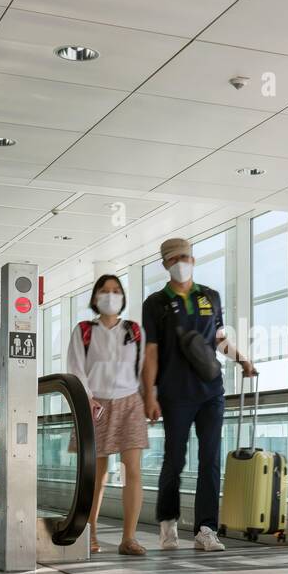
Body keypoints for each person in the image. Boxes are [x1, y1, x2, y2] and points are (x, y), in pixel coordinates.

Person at [141, 238, 256, 552]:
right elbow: (150, 352)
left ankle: (207, 529)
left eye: (186, 257)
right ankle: (168, 525)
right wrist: (149, 394)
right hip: (174, 393)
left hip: (210, 391)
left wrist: (242, 358)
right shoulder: (155, 303)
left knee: (210, 460)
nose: (182, 262)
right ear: (165, 263)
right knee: (175, 460)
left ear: (193, 260)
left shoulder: (211, 296)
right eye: (176, 258)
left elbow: (219, 338)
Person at [66, 274, 148, 556]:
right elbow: (75, 367)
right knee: (96, 474)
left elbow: (142, 368)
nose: (110, 295)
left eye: (116, 291)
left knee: (132, 471)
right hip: (95, 403)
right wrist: (86, 398)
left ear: (123, 297)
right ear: (95, 297)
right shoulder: (84, 330)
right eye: (104, 290)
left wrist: (150, 399)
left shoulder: (134, 330)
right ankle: (89, 534)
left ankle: (129, 538)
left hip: (130, 402)